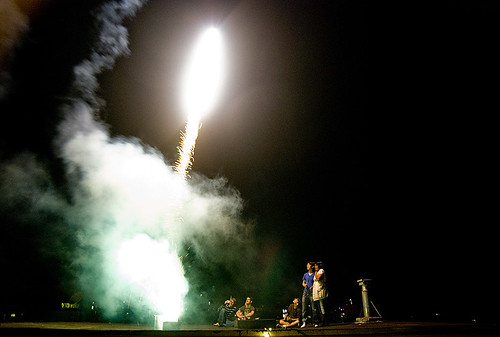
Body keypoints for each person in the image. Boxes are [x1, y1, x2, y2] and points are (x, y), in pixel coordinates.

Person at [301, 262, 316, 328]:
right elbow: (303, 282)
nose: (307, 266)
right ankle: (304, 322)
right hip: (305, 292)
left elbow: (316, 282)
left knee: (314, 308)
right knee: (304, 308)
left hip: (312, 293)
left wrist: (313, 286)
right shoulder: (305, 274)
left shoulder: (314, 274)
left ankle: (315, 321)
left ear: (312, 266)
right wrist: (304, 285)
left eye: (308, 265)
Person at [313, 261, 328, 327]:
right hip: (316, 289)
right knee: (318, 305)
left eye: (316, 265)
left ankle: (323, 320)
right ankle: (320, 320)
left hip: (320, 290)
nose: (315, 267)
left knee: (322, 305)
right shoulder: (318, 271)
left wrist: (316, 272)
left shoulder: (321, 271)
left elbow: (318, 278)